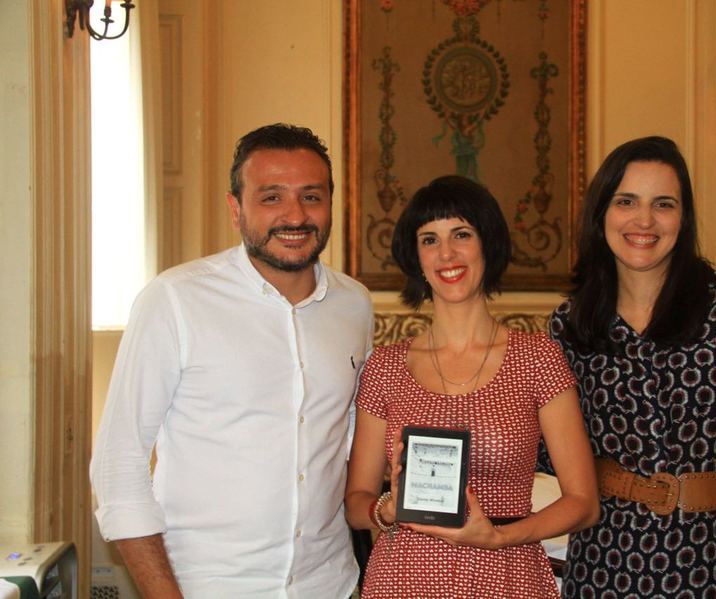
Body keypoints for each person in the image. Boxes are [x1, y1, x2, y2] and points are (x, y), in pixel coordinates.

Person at [90, 123, 374, 598]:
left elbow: (346, 439)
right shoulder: (175, 300)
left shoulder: (354, 304)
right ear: (235, 208)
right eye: (271, 197)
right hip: (208, 585)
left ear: (331, 204)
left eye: (311, 196)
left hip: (330, 585)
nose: (294, 215)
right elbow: (119, 464)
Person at [538, 136, 716, 598]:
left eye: (663, 204)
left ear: (683, 219)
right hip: (606, 559)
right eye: (626, 201)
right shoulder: (572, 322)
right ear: (601, 212)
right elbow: (550, 450)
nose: (644, 220)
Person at [344, 175, 599, 598]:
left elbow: (583, 502)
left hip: (508, 573)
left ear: (488, 244)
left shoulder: (538, 359)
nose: (447, 253)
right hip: (404, 577)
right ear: (416, 258)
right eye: (430, 239)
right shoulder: (385, 368)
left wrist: (500, 537)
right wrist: (386, 510)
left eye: (461, 234)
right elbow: (357, 502)